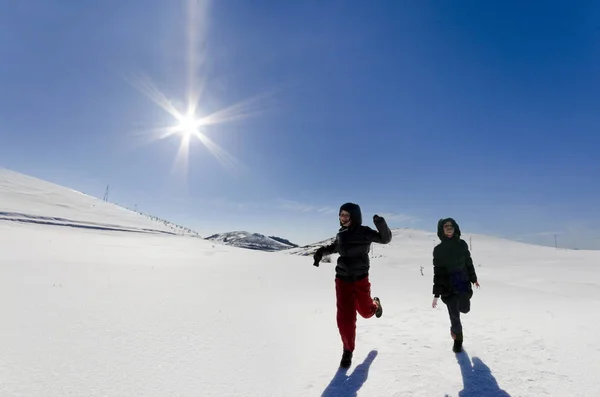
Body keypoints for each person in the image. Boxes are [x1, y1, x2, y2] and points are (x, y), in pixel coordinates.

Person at [313, 202, 392, 368]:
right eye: (341, 215)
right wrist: (321, 252)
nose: (342, 218)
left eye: (346, 215)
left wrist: (380, 223)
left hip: (360, 278)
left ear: (354, 216)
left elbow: (385, 239)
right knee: (344, 318)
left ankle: (375, 304)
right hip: (342, 279)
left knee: (365, 312)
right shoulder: (341, 234)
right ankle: (347, 350)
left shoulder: (365, 232)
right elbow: (334, 247)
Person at [431, 217, 480, 353]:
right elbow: (438, 273)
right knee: (454, 315)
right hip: (448, 287)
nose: (448, 227)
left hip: (463, 283)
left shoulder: (462, 245)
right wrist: (436, 294)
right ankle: (458, 340)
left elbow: (468, 263)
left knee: (465, 309)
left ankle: (456, 322)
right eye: (445, 226)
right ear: (442, 229)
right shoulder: (439, 250)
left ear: (455, 227)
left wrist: (473, 279)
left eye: (450, 225)